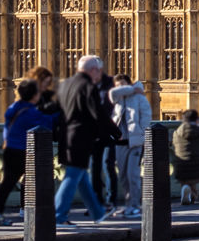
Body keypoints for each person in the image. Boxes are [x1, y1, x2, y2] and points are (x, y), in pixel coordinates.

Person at [56, 55, 117, 224]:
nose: (100, 74)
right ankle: (57, 215)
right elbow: (98, 114)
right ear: (93, 70)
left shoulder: (65, 84)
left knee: (81, 176)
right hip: (80, 139)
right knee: (72, 176)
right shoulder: (87, 86)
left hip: (65, 138)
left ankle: (97, 213)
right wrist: (115, 132)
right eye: (98, 71)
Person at [0, 76, 47, 225]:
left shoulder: (13, 108)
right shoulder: (31, 113)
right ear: (34, 95)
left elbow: (7, 126)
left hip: (9, 148)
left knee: (8, 183)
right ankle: (31, 211)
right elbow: (47, 123)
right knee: (32, 180)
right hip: (23, 150)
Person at [110, 68, 150, 218]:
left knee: (132, 174)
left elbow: (146, 119)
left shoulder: (140, 99)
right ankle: (129, 205)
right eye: (118, 86)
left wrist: (141, 135)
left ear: (129, 84)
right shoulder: (117, 99)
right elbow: (112, 94)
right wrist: (131, 88)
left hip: (135, 142)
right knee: (123, 177)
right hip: (119, 143)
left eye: (123, 85)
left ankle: (135, 205)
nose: (120, 88)